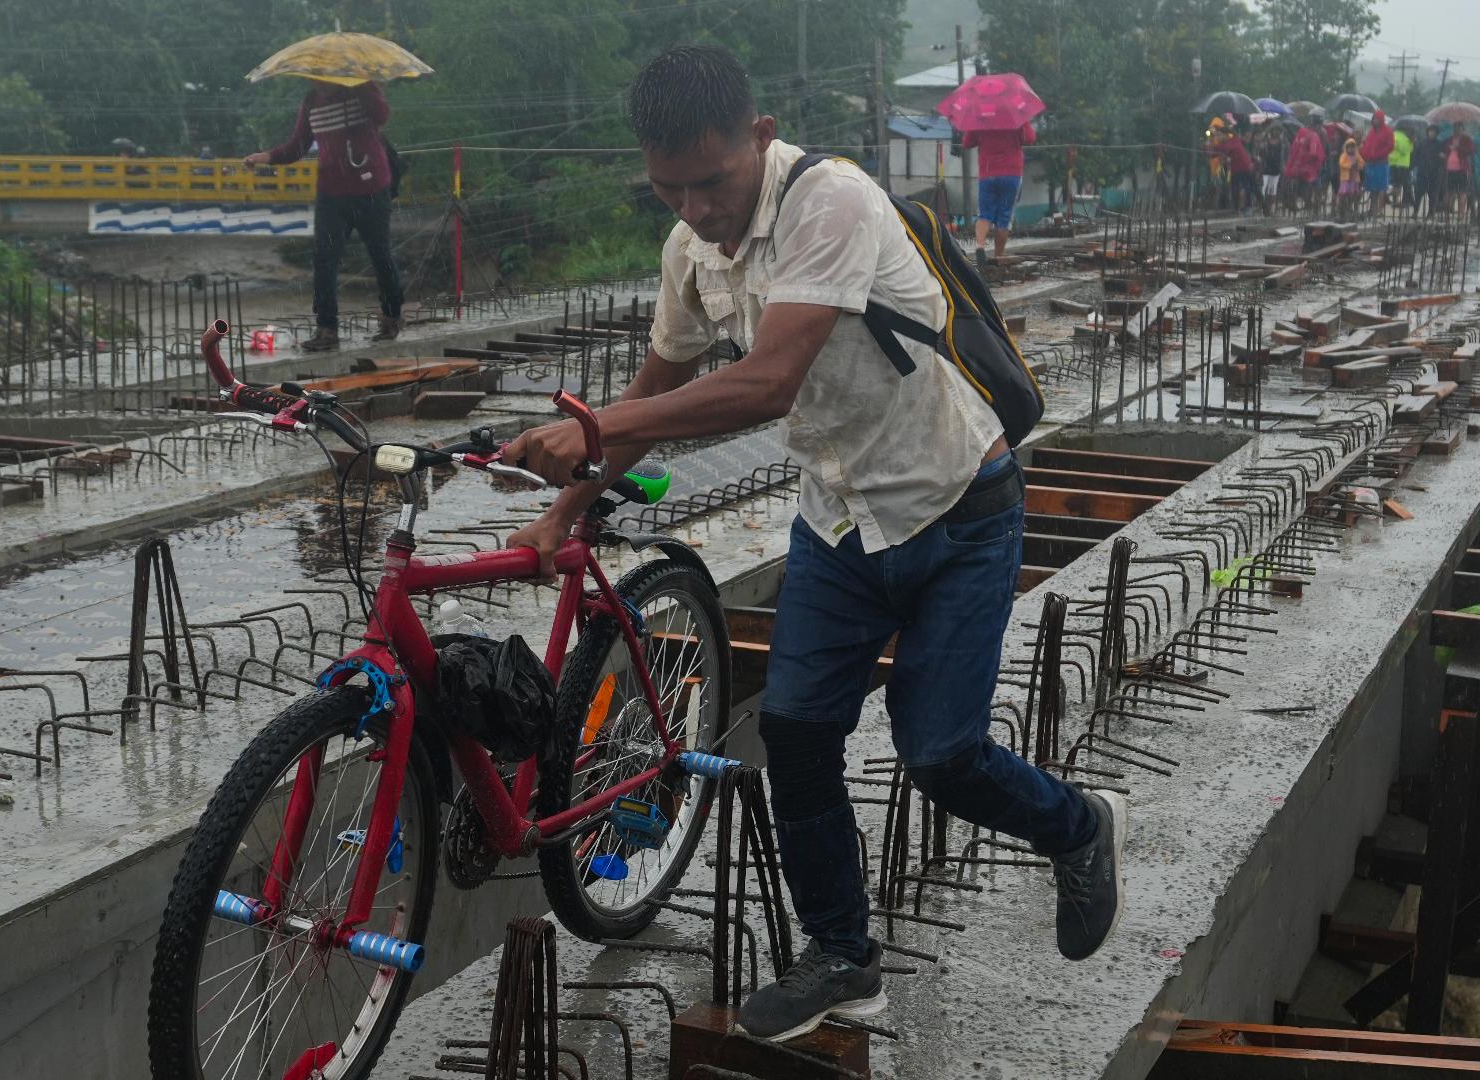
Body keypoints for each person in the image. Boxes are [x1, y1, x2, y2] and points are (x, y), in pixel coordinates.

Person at [500, 45, 1128, 1043]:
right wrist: (561, 516)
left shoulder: (827, 198)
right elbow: (650, 405)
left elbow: (768, 384)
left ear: (758, 137)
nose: (697, 206)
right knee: (794, 732)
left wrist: (588, 434)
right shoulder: (688, 251)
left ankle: (1076, 826)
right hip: (840, 520)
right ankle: (842, 956)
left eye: (711, 181)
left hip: (958, 507)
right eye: (670, 188)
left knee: (941, 753)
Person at [245, 78, 404, 350]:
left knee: (380, 255)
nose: (320, 83)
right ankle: (327, 329)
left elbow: (382, 116)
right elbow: (298, 146)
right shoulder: (312, 102)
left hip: (371, 188)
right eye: (314, 78)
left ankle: (391, 317)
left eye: (323, 78)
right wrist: (266, 157)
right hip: (332, 192)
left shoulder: (362, 88)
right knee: (324, 258)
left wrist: (362, 88)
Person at [964, 120, 1035, 259]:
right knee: (1004, 217)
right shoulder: (1015, 116)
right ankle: (998, 256)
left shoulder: (980, 118)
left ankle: (979, 246)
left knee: (985, 214)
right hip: (1011, 174)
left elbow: (967, 143)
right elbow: (1029, 138)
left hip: (988, 173)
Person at [1208, 124, 1259, 215]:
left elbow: (1219, 151)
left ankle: (1252, 207)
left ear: (1225, 135)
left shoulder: (1231, 142)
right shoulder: (1226, 143)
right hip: (1236, 169)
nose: (1218, 137)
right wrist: (1209, 149)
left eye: (1219, 135)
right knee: (1235, 188)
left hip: (1245, 168)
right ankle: (1236, 209)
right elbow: (1215, 152)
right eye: (1217, 135)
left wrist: (1212, 150)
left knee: (1250, 187)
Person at [1286, 116, 1326, 212]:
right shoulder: (1314, 136)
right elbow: (1313, 153)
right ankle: (1311, 205)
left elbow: (1293, 148)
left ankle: (1294, 204)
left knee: (1297, 186)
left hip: (1296, 165)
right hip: (1308, 168)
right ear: (1317, 126)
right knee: (1311, 186)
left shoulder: (1301, 132)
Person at [1360, 112, 1395, 216]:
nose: (1375, 121)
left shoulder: (1388, 132)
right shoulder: (1371, 132)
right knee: (1371, 188)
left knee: (1381, 187)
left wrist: (1378, 154)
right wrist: (1364, 154)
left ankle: (1378, 210)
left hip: (1381, 163)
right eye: (1374, 119)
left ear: (1381, 120)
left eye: (1377, 119)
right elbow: (1367, 144)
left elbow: (1390, 146)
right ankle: (1372, 209)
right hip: (1370, 163)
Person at [1443, 122, 1475, 216]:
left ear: (1463, 129)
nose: (1457, 130)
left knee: (1462, 192)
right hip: (1449, 169)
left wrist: (1459, 148)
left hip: (1462, 169)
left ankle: (1461, 214)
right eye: (1455, 128)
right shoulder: (1449, 139)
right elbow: (1444, 149)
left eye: (1459, 128)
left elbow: (1471, 151)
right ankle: (1449, 211)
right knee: (1450, 191)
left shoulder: (1467, 139)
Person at [1412, 123, 1443, 216]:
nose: (1432, 133)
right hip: (1422, 172)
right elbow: (1415, 155)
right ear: (1427, 132)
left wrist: (1440, 158)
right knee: (1417, 194)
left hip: (1434, 173)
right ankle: (1415, 211)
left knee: (1432, 195)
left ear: (1437, 133)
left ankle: (1431, 213)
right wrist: (1418, 164)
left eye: (1434, 132)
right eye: (1430, 132)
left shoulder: (1439, 144)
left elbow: (1442, 159)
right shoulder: (1422, 142)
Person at [1258, 125, 1287, 214]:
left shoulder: (1282, 144)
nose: (1275, 133)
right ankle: (1263, 208)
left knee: (1272, 190)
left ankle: (1270, 209)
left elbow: (1283, 158)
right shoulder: (1266, 143)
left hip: (1275, 169)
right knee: (1264, 189)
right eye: (1274, 131)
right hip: (1266, 169)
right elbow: (1261, 153)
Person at [1336, 136, 1364, 216]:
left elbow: (1362, 163)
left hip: (1354, 179)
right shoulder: (1344, 155)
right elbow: (1341, 163)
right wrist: (1350, 165)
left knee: (1352, 194)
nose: (1351, 149)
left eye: (1352, 147)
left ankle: (1350, 209)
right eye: (1349, 147)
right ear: (1346, 148)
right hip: (1345, 179)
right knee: (1343, 194)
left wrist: (1358, 166)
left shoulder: (1357, 156)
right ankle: (1342, 209)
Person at [1390, 124, 1414, 209]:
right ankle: (1394, 199)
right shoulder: (1403, 138)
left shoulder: (1392, 135)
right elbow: (1404, 150)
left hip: (1392, 162)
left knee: (1394, 183)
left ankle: (1394, 200)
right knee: (1400, 183)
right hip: (1402, 164)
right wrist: (1411, 143)